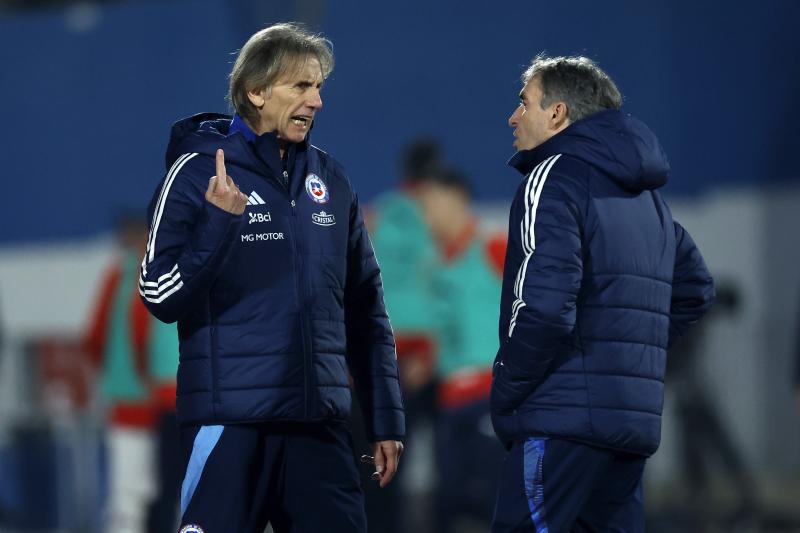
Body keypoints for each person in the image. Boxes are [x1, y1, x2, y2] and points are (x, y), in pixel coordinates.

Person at [137, 23, 404, 533]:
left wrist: (385, 418)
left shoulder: (332, 178)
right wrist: (217, 223)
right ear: (256, 92)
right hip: (230, 422)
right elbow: (158, 292)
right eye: (301, 86)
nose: (317, 101)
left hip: (319, 426)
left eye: (319, 86)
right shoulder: (195, 173)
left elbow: (366, 309)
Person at [490, 55, 715, 532]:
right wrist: (628, 358)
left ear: (557, 114)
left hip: (558, 421)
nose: (513, 117)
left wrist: (507, 387)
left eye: (523, 102)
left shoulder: (551, 177)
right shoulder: (647, 199)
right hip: (626, 433)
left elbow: (544, 308)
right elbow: (696, 289)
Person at [416, 168, 506, 532]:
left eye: (432, 203)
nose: (427, 215)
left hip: (491, 397)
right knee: (449, 504)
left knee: (493, 502)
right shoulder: (431, 269)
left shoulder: (495, 248)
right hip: (450, 404)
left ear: (457, 198)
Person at [83, 215, 158, 532]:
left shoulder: (118, 277)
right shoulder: (166, 270)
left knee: (126, 499)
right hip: (165, 405)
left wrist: (113, 379)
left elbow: (95, 338)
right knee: (166, 494)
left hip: (129, 405)